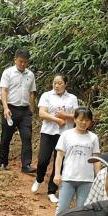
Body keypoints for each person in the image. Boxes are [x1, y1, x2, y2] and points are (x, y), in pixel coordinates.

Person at [32, 74, 78, 204]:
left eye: (59, 83)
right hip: (48, 132)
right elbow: (42, 113)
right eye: (54, 83)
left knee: (60, 163)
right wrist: (57, 119)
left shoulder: (72, 98)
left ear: (65, 84)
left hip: (65, 135)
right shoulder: (46, 95)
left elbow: (77, 116)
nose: (56, 85)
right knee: (43, 160)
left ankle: (52, 191)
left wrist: (65, 115)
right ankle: (39, 179)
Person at [53, 107, 99, 216]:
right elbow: (59, 156)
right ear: (74, 119)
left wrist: (98, 177)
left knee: (81, 212)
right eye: (81, 119)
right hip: (68, 178)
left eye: (87, 120)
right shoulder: (66, 135)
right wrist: (57, 174)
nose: (83, 123)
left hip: (87, 180)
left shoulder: (93, 137)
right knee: (62, 210)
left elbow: (96, 159)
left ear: (90, 122)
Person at [0, 49, 37, 173]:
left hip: (25, 111)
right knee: (6, 137)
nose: (22, 64)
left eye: (25, 62)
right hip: (10, 109)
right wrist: (5, 108)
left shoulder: (30, 75)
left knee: (27, 137)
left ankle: (26, 165)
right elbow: (4, 91)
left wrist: (32, 109)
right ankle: (3, 163)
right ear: (15, 60)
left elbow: (31, 93)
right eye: (20, 61)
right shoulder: (8, 73)